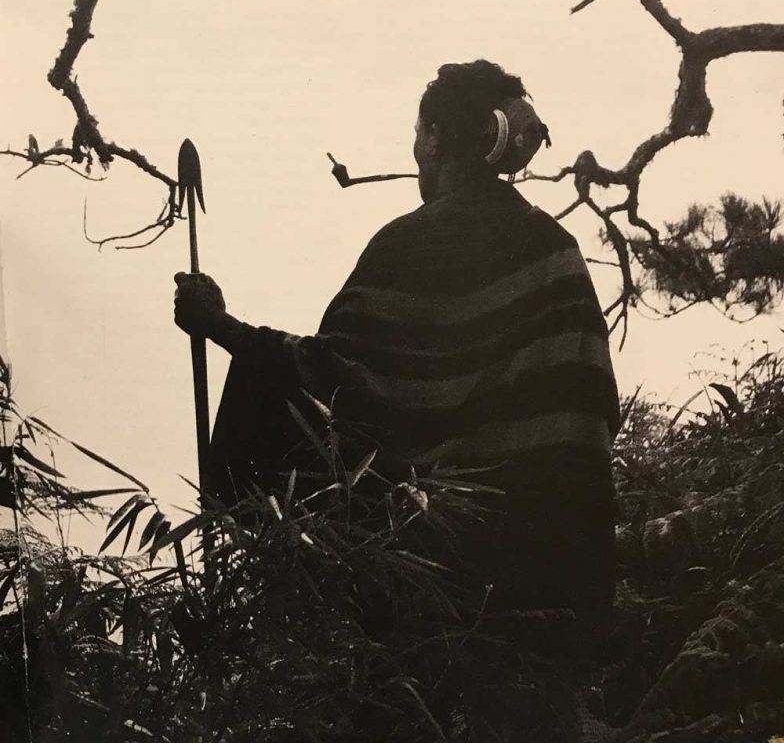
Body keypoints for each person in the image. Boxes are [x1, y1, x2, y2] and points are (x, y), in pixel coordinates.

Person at [174, 59, 619, 642]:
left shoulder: (412, 242)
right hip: (567, 561)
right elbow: (592, 409)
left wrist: (219, 325)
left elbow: (331, 377)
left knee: (262, 382)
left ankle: (264, 617)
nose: (415, 151)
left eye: (418, 133)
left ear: (436, 140)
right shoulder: (558, 250)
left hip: (453, 558)